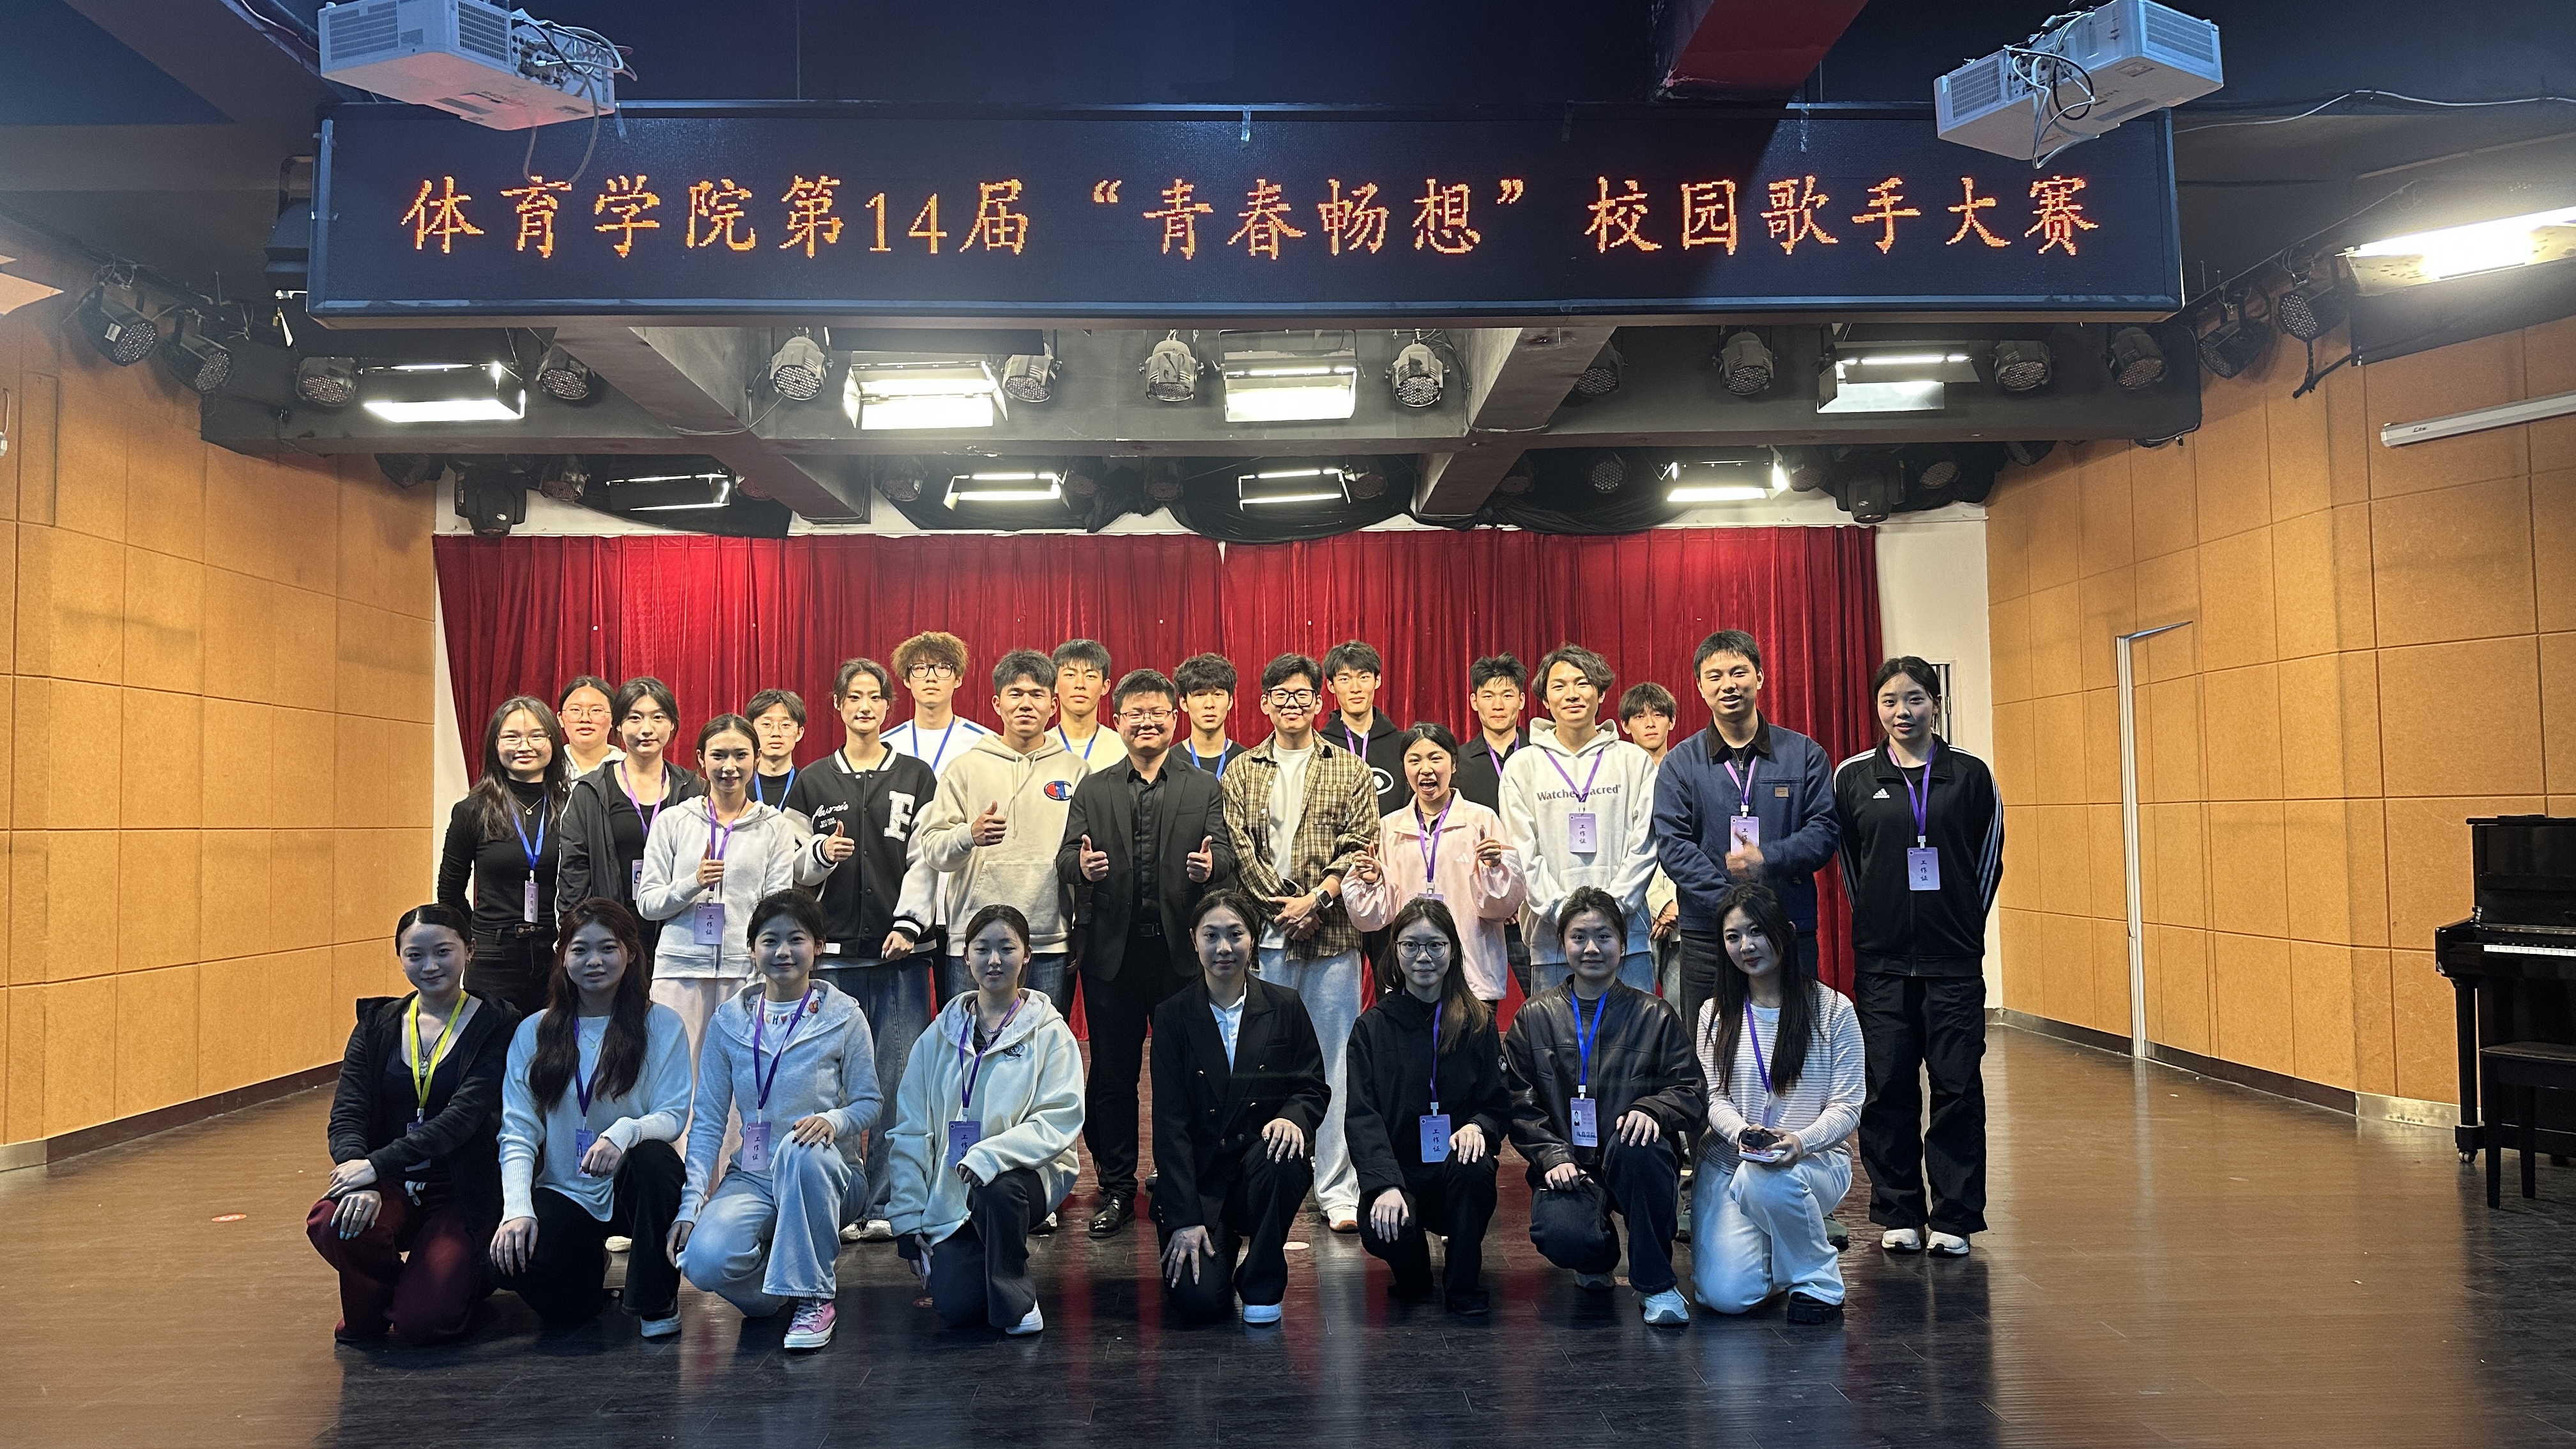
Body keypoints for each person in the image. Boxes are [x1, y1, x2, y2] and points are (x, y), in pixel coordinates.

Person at [1834, 656, 2002, 1259]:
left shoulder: (1971, 774)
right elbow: (1852, 867)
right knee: (1888, 1087)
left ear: (1935, 703)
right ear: (1877, 707)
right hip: (1882, 964)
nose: (1902, 712)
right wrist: (1880, 925)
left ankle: (1955, 1215)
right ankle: (1899, 1209)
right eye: (1889, 701)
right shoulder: (1854, 777)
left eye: (1915, 699)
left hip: (1952, 963)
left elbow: (1988, 860)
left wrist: (1959, 927)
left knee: (1958, 1088)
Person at [1057, 668, 1234, 1238]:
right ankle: (1116, 1186)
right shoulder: (1095, 788)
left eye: (1157, 712)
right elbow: (1065, 858)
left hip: (1181, 958)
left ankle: (1178, 1180)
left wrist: (1212, 868)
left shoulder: (1202, 787)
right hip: (1114, 957)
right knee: (1113, 1078)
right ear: (1118, 721)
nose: (1147, 722)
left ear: (1174, 719)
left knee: (1183, 1075)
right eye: (1135, 713)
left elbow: (1227, 856)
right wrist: (1082, 868)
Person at [670, 891, 879, 1351]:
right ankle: (783, 1288)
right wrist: (691, 1203)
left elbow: (869, 1103)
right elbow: (708, 1120)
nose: (783, 951)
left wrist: (834, 1120)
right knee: (703, 1261)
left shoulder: (845, 1016)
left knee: (802, 1152)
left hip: (829, 1174)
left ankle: (815, 1298)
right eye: (770, 941)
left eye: (796, 939)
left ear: (818, 946)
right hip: (754, 1177)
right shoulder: (729, 1022)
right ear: (752, 950)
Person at [307, 903, 520, 1345]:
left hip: (460, 1191)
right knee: (330, 1219)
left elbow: (462, 1119)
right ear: (399, 957)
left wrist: (375, 1164)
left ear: (469, 950)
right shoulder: (377, 1026)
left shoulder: (498, 1023)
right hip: (393, 1184)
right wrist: (364, 1178)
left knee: (423, 1324)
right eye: (415, 955)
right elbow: (347, 1114)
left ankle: (461, 1276)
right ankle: (383, 1297)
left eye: (443, 952)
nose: (430, 966)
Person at [1218, 653, 1381, 1233]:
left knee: (1335, 1063)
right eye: (1280, 695)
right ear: (1264, 703)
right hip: (1264, 941)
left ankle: (1337, 1189)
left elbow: (1361, 841)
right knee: (1261, 1064)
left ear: (1319, 701)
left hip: (1332, 939)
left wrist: (1319, 900)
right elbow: (1240, 849)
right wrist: (1285, 908)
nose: (1292, 704)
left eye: (1302, 695)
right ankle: (1265, 1183)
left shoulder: (1350, 768)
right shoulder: (1241, 771)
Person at [785, 657, 942, 1243]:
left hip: (902, 954)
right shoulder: (812, 781)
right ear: (838, 705)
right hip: (833, 959)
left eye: (874, 697)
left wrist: (910, 923)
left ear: (887, 706)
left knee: (898, 1082)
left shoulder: (918, 776)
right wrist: (821, 855)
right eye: (853, 697)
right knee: (836, 1083)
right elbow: (792, 869)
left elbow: (928, 861)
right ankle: (844, 1196)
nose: (865, 707)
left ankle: (887, 1201)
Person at [489, 898, 692, 1337]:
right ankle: (585, 1267)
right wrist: (518, 1209)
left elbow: (673, 1116)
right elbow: (518, 1131)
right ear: (563, 956)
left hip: (631, 1187)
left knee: (656, 1160)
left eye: (607, 948)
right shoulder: (535, 1031)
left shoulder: (662, 1025)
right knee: (530, 1277)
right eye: (580, 950)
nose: (594, 961)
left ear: (631, 953)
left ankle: (656, 1302)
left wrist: (625, 1132)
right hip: (566, 1190)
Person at [1504, 885, 1705, 1327]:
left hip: (1631, 1158)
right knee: (1562, 1234)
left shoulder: (1654, 1015)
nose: (1591, 948)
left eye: (1604, 937)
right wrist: (1552, 1155)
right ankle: (1596, 1255)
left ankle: (1656, 1283)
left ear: (1624, 944)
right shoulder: (1534, 1018)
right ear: (1563, 944)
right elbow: (1519, 1104)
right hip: (1568, 1165)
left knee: (1640, 1148)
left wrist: (1653, 1110)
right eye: (1579, 937)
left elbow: (1691, 1091)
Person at [886, 905, 1086, 1336]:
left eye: (1006, 948)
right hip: (952, 1191)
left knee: (997, 1190)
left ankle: (1016, 1293)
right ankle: (981, 1261)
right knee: (956, 1306)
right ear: (966, 956)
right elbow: (911, 1131)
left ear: (1027, 955)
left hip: (1024, 1177)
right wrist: (907, 1218)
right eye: (983, 949)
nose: (994, 960)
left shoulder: (1050, 1033)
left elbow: (1060, 1117)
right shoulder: (937, 1036)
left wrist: (990, 1156)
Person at [1654, 629, 1840, 1059]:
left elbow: (1824, 831)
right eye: (1715, 676)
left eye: (1739, 672)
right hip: (1708, 933)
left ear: (1759, 676)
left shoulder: (1804, 754)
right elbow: (1674, 845)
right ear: (1700, 687)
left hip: (1787, 925)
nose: (1728, 684)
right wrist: (1731, 906)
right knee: (1712, 1049)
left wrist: (1769, 859)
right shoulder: (1681, 763)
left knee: (1795, 1044)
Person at [1150, 891, 1328, 1325]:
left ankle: (1262, 1278)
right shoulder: (1172, 1016)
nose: (1224, 948)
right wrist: (1185, 1219)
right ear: (1194, 940)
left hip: (1258, 1171)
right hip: (1201, 1184)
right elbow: (1170, 1124)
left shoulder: (1284, 1005)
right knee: (1197, 1302)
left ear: (1254, 938)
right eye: (1211, 936)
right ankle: (1215, 1243)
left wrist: (1292, 1117)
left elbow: (1311, 1086)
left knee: (1286, 1157)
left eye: (1235, 934)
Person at [1689, 883, 1864, 1322]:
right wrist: (1741, 1133)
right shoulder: (1715, 1013)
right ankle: (1785, 1240)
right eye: (1733, 937)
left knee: (1764, 1181)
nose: (1746, 946)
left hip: (1813, 1162)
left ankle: (1819, 1283)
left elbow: (1847, 1105)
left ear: (1785, 931)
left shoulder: (1834, 1010)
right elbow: (1713, 1096)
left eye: (1757, 932)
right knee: (1726, 1296)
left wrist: (1800, 1142)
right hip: (1730, 1161)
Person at [1345, 898, 1509, 1315]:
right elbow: (1362, 1116)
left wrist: (1478, 1126)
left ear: (1452, 951)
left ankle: (1463, 1280)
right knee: (1383, 1231)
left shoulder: (1477, 1022)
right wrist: (1384, 1184)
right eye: (1411, 945)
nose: (1424, 957)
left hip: (1457, 1168)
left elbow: (1496, 1103)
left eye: (1435, 945)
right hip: (1400, 1173)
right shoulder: (1371, 1029)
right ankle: (1413, 1271)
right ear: (1395, 951)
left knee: (1476, 1168)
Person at [918, 651, 1085, 1012]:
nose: (1026, 704)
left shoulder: (1076, 770)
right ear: (997, 704)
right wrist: (969, 835)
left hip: (1048, 939)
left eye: (1037, 694)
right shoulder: (963, 768)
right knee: (968, 1041)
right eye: (1015, 693)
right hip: (975, 937)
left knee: (1042, 1039)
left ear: (1053, 705)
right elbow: (933, 849)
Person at [635, 714, 811, 1052]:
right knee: (677, 1073)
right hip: (679, 971)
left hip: (744, 973)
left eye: (740, 755)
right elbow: (648, 904)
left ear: (756, 759)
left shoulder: (774, 825)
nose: (729, 766)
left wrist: (761, 967)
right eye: (718, 755)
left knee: (740, 1074)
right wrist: (694, 882)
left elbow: (777, 908)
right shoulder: (673, 821)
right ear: (701, 759)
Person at [1501, 644, 1660, 996]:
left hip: (1626, 938)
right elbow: (1522, 852)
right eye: (1559, 686)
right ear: (1545, 699)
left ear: (1600, 693)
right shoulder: (1521, 767)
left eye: (1582, 683)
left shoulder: (1634, 761)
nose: (1571, 694)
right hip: (1552, 941)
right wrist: (1562, 912)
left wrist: (1614, 910)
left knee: (1636, 1031)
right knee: (1558, 1032)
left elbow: (1646, 844)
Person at [1344, 723, 1526, 1005]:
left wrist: (1495, 869)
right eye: (1414, 760)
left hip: (1472, 975)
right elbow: (1374, 917)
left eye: (1435, 758)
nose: (1425, 769)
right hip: (1410, 975)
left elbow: (1502, 907)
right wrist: (1373, 882)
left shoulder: (1482, 820)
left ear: (1453, 764)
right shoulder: (1389, 828)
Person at [437, 695, 570, 1016]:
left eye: (536, 736)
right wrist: (479, 938)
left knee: (554, 1043)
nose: (524, 746)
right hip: (493, 957)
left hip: (558, 952)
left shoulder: (573, 807)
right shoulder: (472, 810)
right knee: (493, 1043)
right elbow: (449, 893)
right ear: (495, 744)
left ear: (553, 741)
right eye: (512, 736)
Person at [555, 676, 703, 926]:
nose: (647, 729)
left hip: (677, 929)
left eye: (658, 717)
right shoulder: (590, 792)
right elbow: (574, 873)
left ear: (672, 725)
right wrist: (578, 933)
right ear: (618, 726)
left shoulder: (693, 789)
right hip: (610, 930)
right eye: (635, 718)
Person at [1459, 654, 1532, 995]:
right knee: (1477, 1004)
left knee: (1548, 1002)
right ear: (1474, 701)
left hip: (1536, 904)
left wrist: (1521, 897)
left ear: (1522, 700)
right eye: (1488, 695)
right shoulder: (1458, 763)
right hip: (1480, 907)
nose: (1498, 705)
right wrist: (1496, 899)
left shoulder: (1541, 757)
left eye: (1507, 695)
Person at [1620, 682, 1684, 1000]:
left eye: (1658, 715)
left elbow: (1694, 844)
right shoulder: (1616, 779)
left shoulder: (1688, 772)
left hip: (1682, 912)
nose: (1649, 724)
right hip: (1633, 907)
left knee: (1684, 1011)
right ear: (1625, 725)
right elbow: (1622, 848)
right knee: (1633, 1010)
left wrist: (1675, 903)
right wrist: (1657, 903)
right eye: (1639, 717)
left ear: (1671, 721)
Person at [887, 630, 994, 770]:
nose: (931, 678)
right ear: (907, 680)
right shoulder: (885, 746)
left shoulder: (986, 744)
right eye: (920, 668)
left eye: (942, 667)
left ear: (958, 679)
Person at [1322, 639, 1406, 813]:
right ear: (1331, 686)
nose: (1356, 688)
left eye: (1364, 677)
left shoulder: (1403, 745)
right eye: (1345, 679)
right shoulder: (1320, 747)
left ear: (1377, 680)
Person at [1174, 652, 1248, 779]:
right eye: (1200, 695)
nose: (1209, 704)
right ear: (1184, 703)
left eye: (1218, 694)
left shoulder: (1247, 763)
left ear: (1230, 701)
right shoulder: (1170, 763)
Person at [1051, 638, 1119, 776]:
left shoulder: (1122, 748)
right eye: (1070, 675)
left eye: (1090, 676)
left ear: (1105, 687)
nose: (1080, 684)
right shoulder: (1041, 747)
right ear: (1055, 684)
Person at [745, 688, 809, 812]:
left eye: (786, 725)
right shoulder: (737, 786)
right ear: (751, 730)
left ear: (799, 733)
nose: (776, 733)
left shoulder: (808, 786)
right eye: (766, 725)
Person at [557, 675, 623, 779]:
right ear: (561, 718)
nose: (585, 719)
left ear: (613, 718)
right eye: (575, 710)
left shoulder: (629, 768)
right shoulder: (548, 767)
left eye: (596, 710)